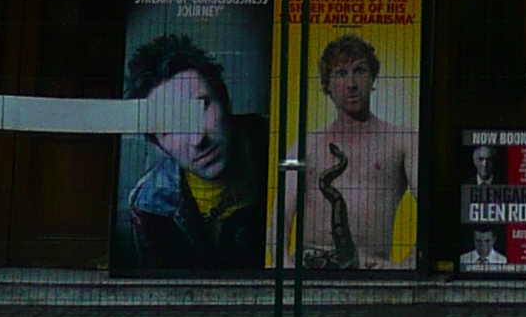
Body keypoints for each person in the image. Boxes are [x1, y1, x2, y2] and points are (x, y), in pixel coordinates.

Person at [121, 32, 267, 272]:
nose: (198, 139)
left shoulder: (278, 142)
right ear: (158, 146)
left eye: (201, 108)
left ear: (225, 101)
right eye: (171, 128)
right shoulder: (149, 203)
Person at [299, 31, 416, 270]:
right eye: (341, 74)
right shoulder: (308, 144)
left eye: (360, 71)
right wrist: (284, 262)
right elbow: (280, 214)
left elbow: (433, 205)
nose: (351, 84)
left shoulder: (401, 140)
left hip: (369, 269)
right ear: (327, 85)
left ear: (373, 78)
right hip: (310, 267)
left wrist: (409, 264)